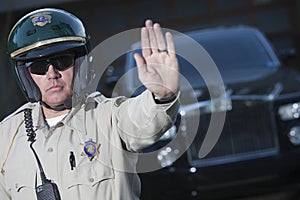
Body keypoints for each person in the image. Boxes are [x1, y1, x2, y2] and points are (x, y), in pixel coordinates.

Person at [0, 8, 179, 200]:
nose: (52, 74)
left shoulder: (109, 117)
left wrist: (162, 96)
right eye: (38, 67)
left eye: (62, 61)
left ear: (80, 64)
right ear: (25, 76)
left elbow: (143, 121)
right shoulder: (6, 137)